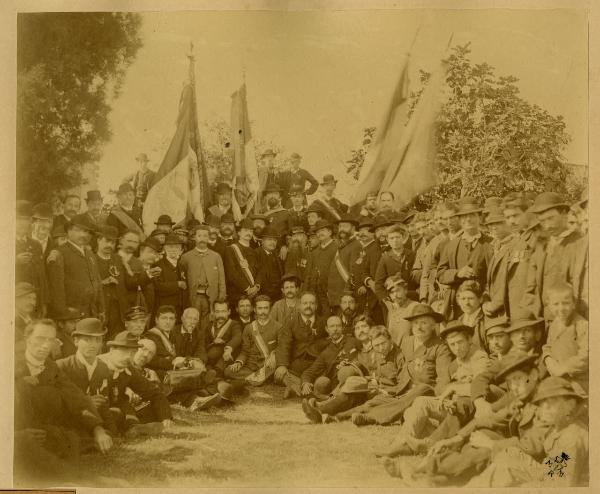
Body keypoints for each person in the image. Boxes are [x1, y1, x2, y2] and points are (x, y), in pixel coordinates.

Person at [389, 351, 544, 486]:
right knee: (477, 439)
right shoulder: (520, 397)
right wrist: (456, 438)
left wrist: (492, 444)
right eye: (510, 382)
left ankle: (422, 471)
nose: (514, 386)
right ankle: (429, 480)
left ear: (534, 375)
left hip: (550, 466)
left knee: (485, 452)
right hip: (527, 451)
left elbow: (533, 446)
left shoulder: (547, 401)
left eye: (518, 379)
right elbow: (491, 419)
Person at [377, 320, 490, 458]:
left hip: (471, 411)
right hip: (454, 407)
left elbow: (482, 387)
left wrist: (455, 389)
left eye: (460, 342)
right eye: (452, 344)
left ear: (469, 339)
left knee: (420, 408)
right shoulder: (455, 363)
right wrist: (448, 397)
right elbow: (447, 386)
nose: (457, 348)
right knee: (414, 408)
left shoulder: (479, 357)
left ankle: (407, 444)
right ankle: (404, 443)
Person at [15, 319, 113, 461]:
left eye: (51, 340)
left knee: (73, 440)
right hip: (15, 431)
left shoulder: (52, 367)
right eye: (40, 339)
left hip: (43, 430)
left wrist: (97, 429)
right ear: (27, 339)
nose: (45, 345)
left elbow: (76, 397)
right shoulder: (8, 361)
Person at [466, 376, 588, 488]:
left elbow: (560, 486)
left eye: (553, 401)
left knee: (508, 473)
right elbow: (553, 468)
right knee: (510, 455)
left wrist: (524, 487)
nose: (545, 407)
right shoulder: (559, 428)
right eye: (543, 402)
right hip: (550, 473)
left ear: (570, 405)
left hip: (563, 485)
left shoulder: (571, 438)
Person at [348, 304, 453, 427]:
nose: (418, 327)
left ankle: (370, 418)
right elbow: (395, 362)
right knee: (374, 402)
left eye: (423, 323)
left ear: (433, 325)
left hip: (425, 392)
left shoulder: (441, 347)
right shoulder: (407, 342)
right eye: (415, 323)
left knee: (420, 389)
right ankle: (339, 417)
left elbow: (443, 378)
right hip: (402, 390)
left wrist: (439, 399)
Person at [523, 192, 583, 319]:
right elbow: (531, 287)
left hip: (567, 318)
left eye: (551, 218)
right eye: (542, 221)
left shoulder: (579, 243)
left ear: (564, 213)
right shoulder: (542, 246)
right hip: (542, 318)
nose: (547, 225)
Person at [99, 330, 172, 433]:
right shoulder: (98, 366)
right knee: (117, 413)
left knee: (137, 412)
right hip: (97, 411)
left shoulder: (128, 368)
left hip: (120, 408)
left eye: (132, 352)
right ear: (112, 350)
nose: (128, 356)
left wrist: (165, 418)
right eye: (124, 351)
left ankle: (133, 427)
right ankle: (129, 428)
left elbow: (154, 393)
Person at [56, 318, 118, 436]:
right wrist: (86, 402)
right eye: (87, 340)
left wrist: (115, 434)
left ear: (102, 343)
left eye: (97, 340)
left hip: (95, 417)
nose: (93, 345)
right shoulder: (62, 366)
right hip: (70, 417)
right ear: (76, 341)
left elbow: (104, 404)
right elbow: (58, 404)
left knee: (117, 414)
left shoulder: (102, 367)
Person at [436, 197, 493, 321]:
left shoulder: (490, 244)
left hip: (483, 306)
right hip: (458, 307)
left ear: (479, 217)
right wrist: (457, 273)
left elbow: (495, 278)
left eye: (472, 215)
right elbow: (440, 274)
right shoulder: (451, 246)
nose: (468, 219)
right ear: (460, 220)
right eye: (464, 216)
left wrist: (486, 298)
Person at [47, 213, 105, 320]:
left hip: (91, 312)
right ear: (68, 231)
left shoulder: (90, 254)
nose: (83, 235)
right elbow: (56, 287)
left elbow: (97, 281)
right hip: (72, 313)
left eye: (87, 232)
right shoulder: (60, 253)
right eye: (78, 230)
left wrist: (101, 309)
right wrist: (63, 312)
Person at [275, 291, 329, 390]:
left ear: (316, 306)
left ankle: (299, 385)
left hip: (316, 364)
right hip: (297, 364)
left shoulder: (323, 323)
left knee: (323, 382)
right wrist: (282, 365)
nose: (308, 306)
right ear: (299, 306)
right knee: (280, 374)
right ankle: (300, 385)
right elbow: (284, 344)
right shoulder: (291, 323)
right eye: (305, 303)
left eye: (312, 303)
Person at [298, 315, 361, 398]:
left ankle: (325, 401)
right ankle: (328, 399)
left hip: (353, 381)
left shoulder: (353, 341)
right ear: (327, 329)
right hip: (335, 386)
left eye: (338, 326)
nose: (335, 329)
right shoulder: (326, 352)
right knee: (321, 382)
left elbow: (365, 355)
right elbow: (309, 372)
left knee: (346, 372)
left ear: (342, 328)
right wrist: (305, 383)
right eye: (332, 326)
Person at [224, 295, 282, 386]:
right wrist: (238, 363)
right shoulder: (249, 328)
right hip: (251, 367)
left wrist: (274, 354)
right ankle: (259, 379)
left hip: (268, 366)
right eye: (260, 308)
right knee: (228, 371)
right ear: (254, 310)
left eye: (266, 308)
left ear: (270, 309)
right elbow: (245, 351)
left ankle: (253, 379)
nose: (263, 312)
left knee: (276, 368)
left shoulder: (278, 327)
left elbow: (282, 348)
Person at [541, 282, 588, 390]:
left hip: (578, 385)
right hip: (558, 383)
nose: (561, 308)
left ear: (574, 303)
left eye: (566, 303)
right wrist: (548, 359)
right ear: (549, 306)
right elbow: (548, 346)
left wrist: (563, 368)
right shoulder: (554, 324)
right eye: (556, 304)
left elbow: (586, 356)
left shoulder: (582, 325)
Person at [179, 224, 227, 325]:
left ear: (209, 238)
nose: (202, 239)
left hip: (211, 296)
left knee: (209, 321)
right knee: (193, 320)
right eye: (199, 236)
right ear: (194, 238)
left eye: (205, 236)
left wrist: (222, 294)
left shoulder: (216, 256)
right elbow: (182, 278)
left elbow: (221, 278)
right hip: (194, 296)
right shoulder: (186, 257)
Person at [94, 225, 130, 339]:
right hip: (100, 309)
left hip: (118, 311)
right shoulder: (91, 259)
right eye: (107, 241)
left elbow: (129, 281)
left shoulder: (118, 259)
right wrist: (103, 282)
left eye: (113, 243)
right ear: (99, 240)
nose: (110, 245)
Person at [16, 200, 48, 316]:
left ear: (31, 222)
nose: (22, 223)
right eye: (19, 219)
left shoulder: (36, 245)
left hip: (34, 302)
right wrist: (15, 261)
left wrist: (43, 302)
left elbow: (42, 276)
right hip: (15, 300)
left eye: (26, 219)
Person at [327, 214, 362, 314]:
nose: (342, 229)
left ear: (353, 228)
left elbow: (354, 272)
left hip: (346, 297)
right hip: (335, 296)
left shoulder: (356, 245)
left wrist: (347, 293)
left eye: (345, 226)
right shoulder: (341, 245)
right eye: (340, 226)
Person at [303, 219, 337, 316]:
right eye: (317, 232)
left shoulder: (337, 249)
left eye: (323, 230)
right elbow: (308, 274)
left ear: (330, 232)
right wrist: (307, 293)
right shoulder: (314, 252)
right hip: (316, 294)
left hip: (330, 294)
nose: (319, 233)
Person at [200, 300, 243, 375]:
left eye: (223, 311)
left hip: (226, 356)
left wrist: (228, 348)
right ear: (213, 312)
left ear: (229, 312)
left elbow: (237, 337)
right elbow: (203, 342)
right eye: (217, 312)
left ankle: (216, 372)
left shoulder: (234, 324)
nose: (220, 315)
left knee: (225, 356)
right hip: (211, 357)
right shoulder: (209, 326)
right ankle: (210, 373)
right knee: (207, 362)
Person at [223, 218, 260, 307]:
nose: (249, 233)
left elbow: (259, 270)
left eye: (251, 231)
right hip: (237, 293)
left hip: (254, 293)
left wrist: (257, 287)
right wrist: (247, 288)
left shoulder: (254, 251)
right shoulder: (231, 249)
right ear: (239, 233)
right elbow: (231, 273)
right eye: (246, 230)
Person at [374, 224, 415, 300]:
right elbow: (378, 284)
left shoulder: (412, 255)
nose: (395, 240)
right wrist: (386, 300)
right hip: (393, 298)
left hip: (411, 295)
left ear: (403, 238)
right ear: (388, 240)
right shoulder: (385, 258)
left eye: (397, 237)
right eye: (391, 238)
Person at [354, 218, 383, 322]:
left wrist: (367, 283)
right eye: (360, 231)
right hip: (361, 295)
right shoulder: (362, 249)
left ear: (373, 233)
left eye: (366, 230)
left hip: (373, 295)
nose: (362, 233)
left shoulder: (375, 248)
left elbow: (375, 272)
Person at [155, 233, 187, 321]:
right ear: (164, 249)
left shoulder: (182, 266)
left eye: (176, 247)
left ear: (181, 250)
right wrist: (177, 284)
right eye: (170, 247)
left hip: (180, 309)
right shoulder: (158, 265)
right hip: (165, 309)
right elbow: (157, 287)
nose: (173, 250)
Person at [381, 274, 419, 345]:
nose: (395, 295)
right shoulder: (391, 312)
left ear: (405, 290)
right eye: (392, 292)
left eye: (398, 290)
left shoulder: (415, 307)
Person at [456, 280, 487, 352]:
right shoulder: (459, 321)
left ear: (480, 299)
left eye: (471, 298)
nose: (466, 303)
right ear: (459, 301)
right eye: (463, 299)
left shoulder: (485, 320)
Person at [255, 225, 284, 301]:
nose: (272, 242)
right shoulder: (256, 254)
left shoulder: (277, 254)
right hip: (262, 296)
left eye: (275, 240)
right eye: (269, 239)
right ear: (262, 241)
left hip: (277, 295)